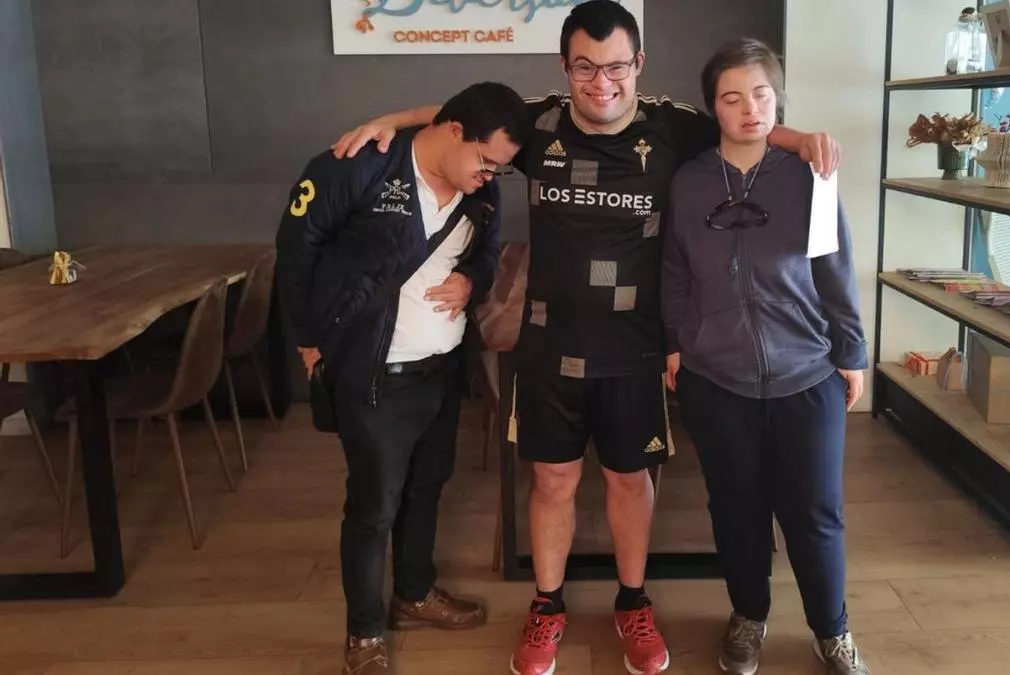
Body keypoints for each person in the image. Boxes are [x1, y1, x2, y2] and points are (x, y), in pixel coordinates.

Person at [329, 3, 842, 674]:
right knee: (552, 480)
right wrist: (388, 122)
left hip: (635, 346)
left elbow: (745, 122)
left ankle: (633, 601)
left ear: (639, 65)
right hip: (550, 343)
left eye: (616, 67)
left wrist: (802, 140)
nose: (602, 84)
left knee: (631, 480)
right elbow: (457, 117)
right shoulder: (537, 123)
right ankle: (547, 606)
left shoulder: (673, 125)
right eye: (585, 68)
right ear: (565, 68)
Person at [274, 81, 527, 675]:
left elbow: (487, 251)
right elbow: (296, 249)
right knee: (374, 506)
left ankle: (414, 592)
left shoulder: (481, 191)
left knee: (427, 486)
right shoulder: (358, 166)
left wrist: (473, 280)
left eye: (500, 168)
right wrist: (308, 340)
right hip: (374, 373)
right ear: (454, 131)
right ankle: (363, 634)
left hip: (443, 367)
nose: (489, 175)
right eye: (485, 161)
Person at [660, 39, 869, 675]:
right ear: (713, 108)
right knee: (735, 510)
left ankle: (832, 629)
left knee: (816, 514)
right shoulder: (690, 182)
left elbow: (835, 267)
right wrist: (676, 342)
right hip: (715, 378)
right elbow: (674, 270)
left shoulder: (808, 176)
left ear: (778, 99)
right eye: (732, 98)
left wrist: (851, 351)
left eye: (761, 94)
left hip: (807, 373)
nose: (749, 109)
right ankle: (748, 616)